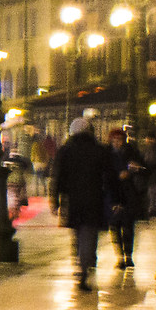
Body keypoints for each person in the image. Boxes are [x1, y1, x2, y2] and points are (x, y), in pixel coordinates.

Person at [52, 117, 111, 291]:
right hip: (94, 199)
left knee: (77, 233)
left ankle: (79, 263)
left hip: (73, 200)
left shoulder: (65, 151)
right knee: (89, 233)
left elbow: (58, 176)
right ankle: (86, 265)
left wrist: (54, 199)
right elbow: (108, 176)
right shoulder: (99, 150)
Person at [107, 128, 148, 271]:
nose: (117, 142)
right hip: (113, 194)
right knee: (115, 226)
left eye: (119, 139)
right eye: (114, 140)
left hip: (129, 194)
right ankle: (119, 256)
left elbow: (144, 168)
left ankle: (128, 256)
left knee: (128, 226)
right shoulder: (108, 154)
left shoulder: (131, 151)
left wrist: (134, 170)